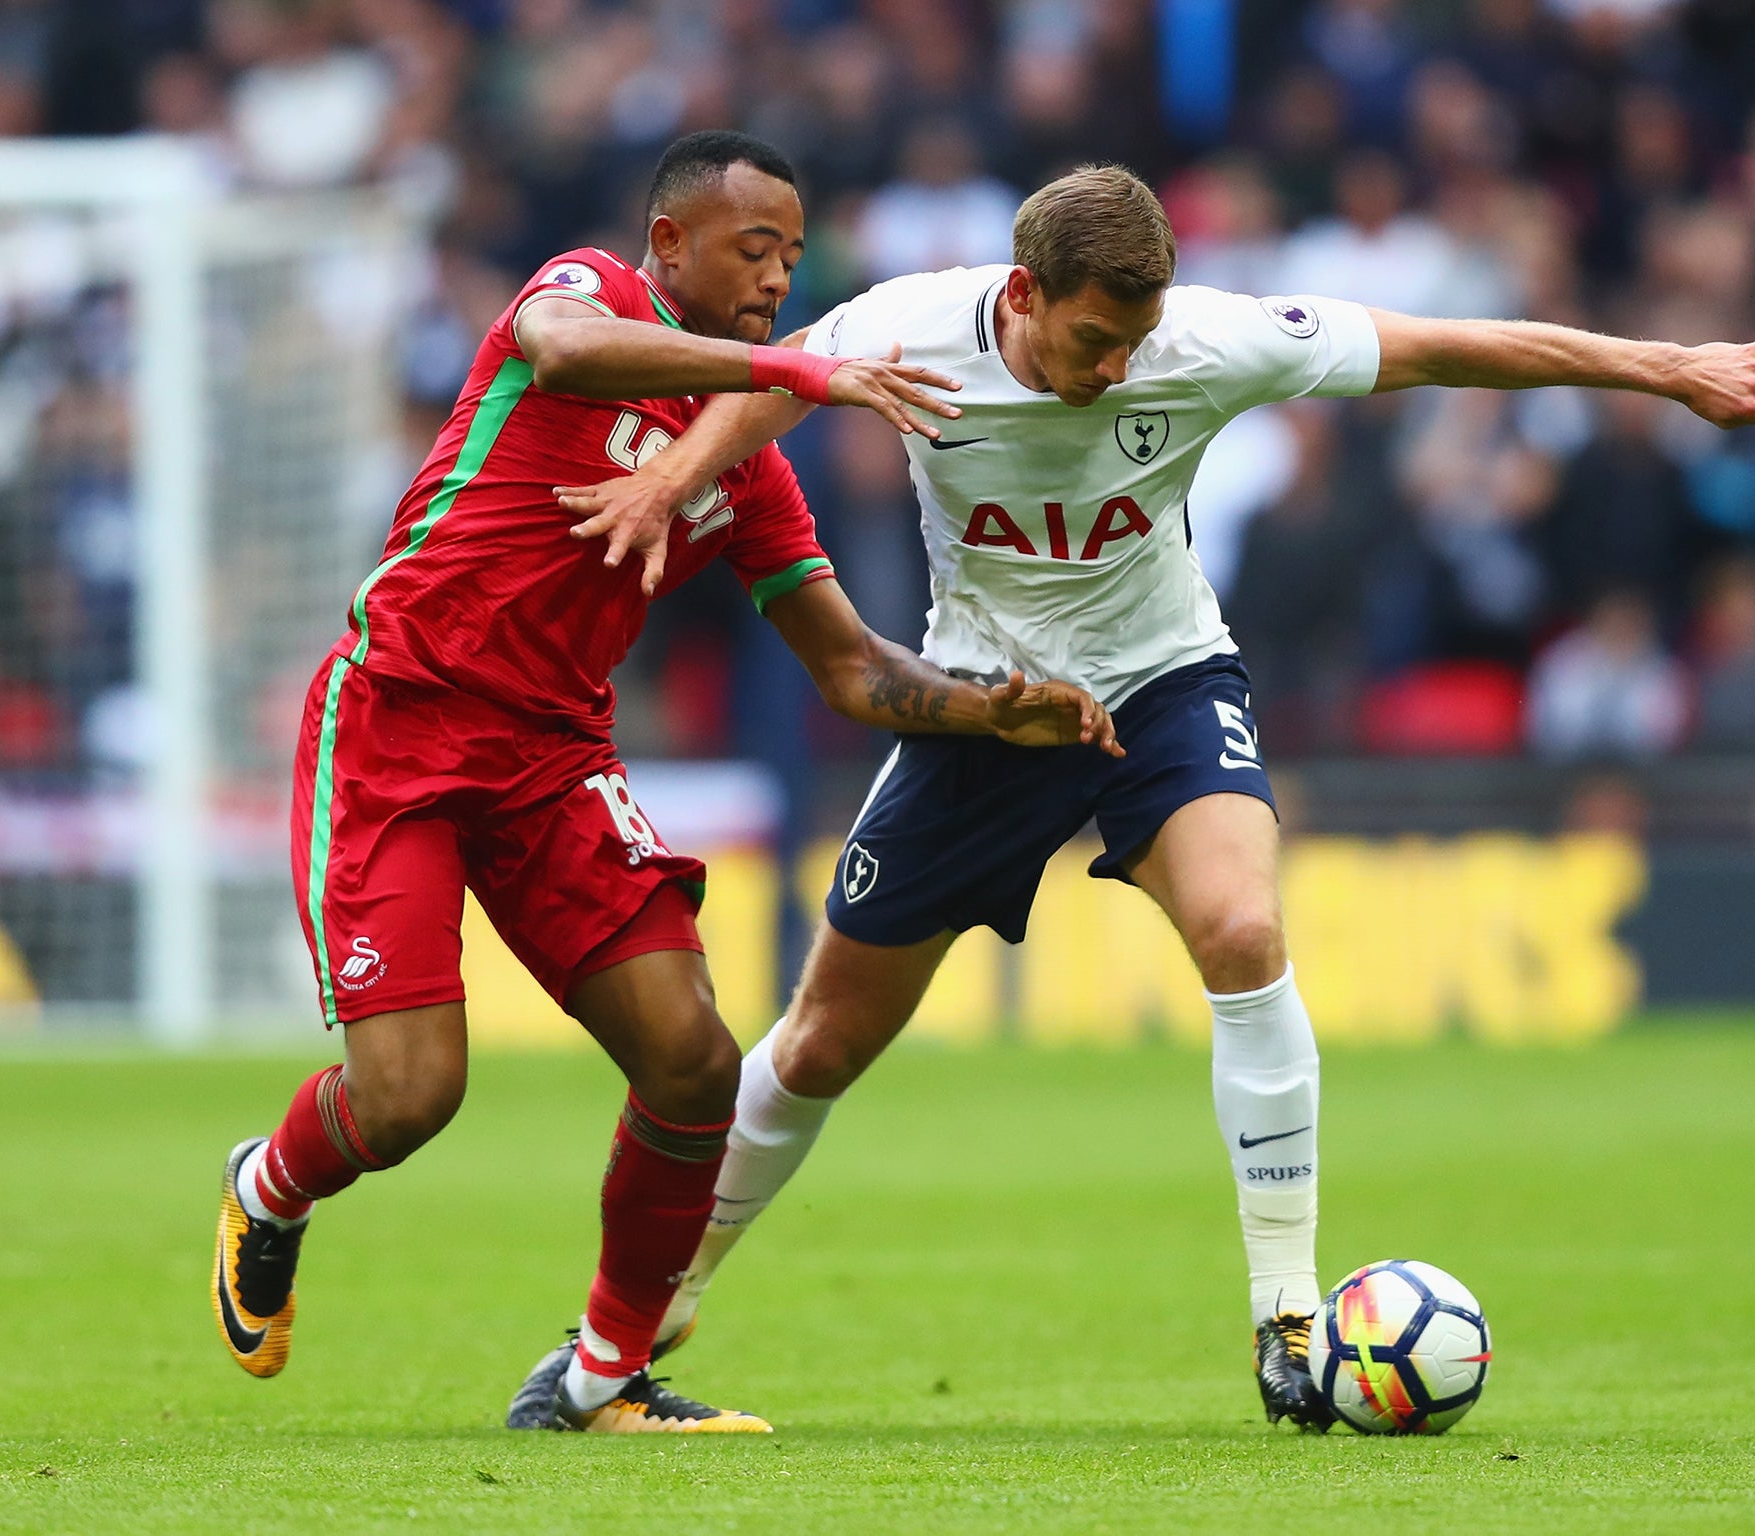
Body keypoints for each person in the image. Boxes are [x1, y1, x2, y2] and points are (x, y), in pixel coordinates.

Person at [557, 163, 1755, 1429]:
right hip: (984, 703)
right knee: (826, 1037)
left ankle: (1287, 1322)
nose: (1117, 368)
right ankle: (660, 1301)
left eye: (1136, 342)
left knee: (1242, 931)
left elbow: (1453, 346)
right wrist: (668, 481)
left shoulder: (1208, 338)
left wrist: (1670, 368)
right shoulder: (908, 325)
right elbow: (767, 398)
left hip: (1162, 680)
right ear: (1022, 294)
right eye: (1095, 340)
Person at [209, 131, 1120, 1438]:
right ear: (674, 242)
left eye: (795, 261)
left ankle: (602, 1377)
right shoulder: (586, 295)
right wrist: (792, 366)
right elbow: (568, 352)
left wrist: (992, 712)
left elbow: (851, 669)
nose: (777, 280)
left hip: (552, 758)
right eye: (757, 252)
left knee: (695, 1063)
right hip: (397, 725)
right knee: (411, 1096)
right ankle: (273, 1185)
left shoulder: (745, 466)